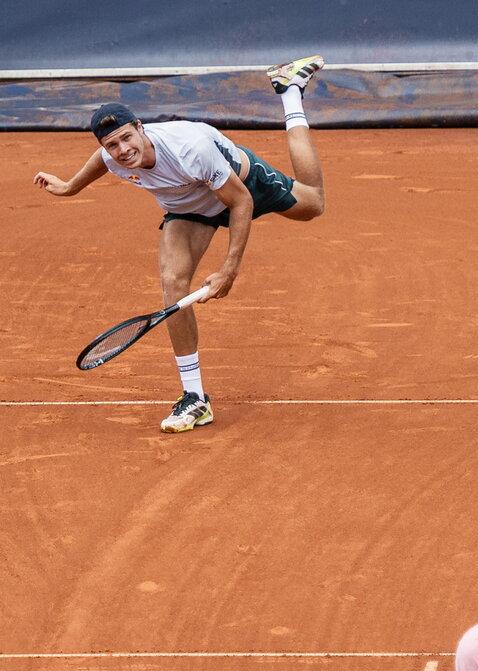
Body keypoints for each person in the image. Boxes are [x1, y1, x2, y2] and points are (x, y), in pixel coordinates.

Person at [32, 56, 327, 433]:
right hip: (187, 210)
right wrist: (70, 187)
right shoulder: (112, 155)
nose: (122, 150)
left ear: (141, 128)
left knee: (312, 205)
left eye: (126, 137)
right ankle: (195, 398)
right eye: (113, 144)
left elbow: (240, 203)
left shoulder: (189, 149)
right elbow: (101, 159)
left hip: (238, 185)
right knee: (173, 284)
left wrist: (228, 269)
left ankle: (289, 93)